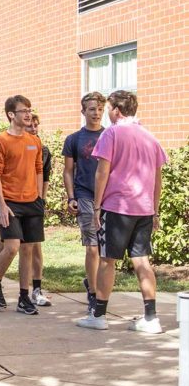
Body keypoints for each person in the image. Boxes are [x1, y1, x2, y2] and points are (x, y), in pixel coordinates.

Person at [76, 91, 168, 333]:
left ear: (116, 110)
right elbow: (158, 180)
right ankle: (151, 318)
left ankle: (98, 316)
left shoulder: (112, 133)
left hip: (117, 207)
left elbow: (102, 172)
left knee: (107, 261)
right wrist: (155, 211)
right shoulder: (150, 137)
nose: (105, 112)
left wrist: (96, 206)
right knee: (142, 261)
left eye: (108, 108)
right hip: (144, 209)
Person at [0, 95, 44, 316]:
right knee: (12, 247)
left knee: (28, 249)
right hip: (10, 203)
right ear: (11, 114)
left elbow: (39, 169)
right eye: (23, 111)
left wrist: (39, 197)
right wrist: (1, 205)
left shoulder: (34, 141)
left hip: (32, 202)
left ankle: (24, 297)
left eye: (29, 110)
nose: (28, 114)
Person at [63, 92, 106, 315]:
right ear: (83, 111)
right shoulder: (74, 139)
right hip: (85, 196)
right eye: (91, 109)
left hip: (108, 198)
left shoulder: (110, 136)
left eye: (100, 109)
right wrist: (72, 197)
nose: (96, 113)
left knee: (105, 249)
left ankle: (94, 284)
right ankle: (93, 294)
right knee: (92, 247)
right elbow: (68, 171)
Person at [24, 112, 52, 307]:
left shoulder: (43, 150)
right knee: (7, 246)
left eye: (36, 126)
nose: (34, 129)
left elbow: (46, 178)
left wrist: (41, 200)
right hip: (15, 201)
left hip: (34, 202)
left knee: (35, 246)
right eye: (30, 126)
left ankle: (36, 289)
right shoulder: (15, 145)